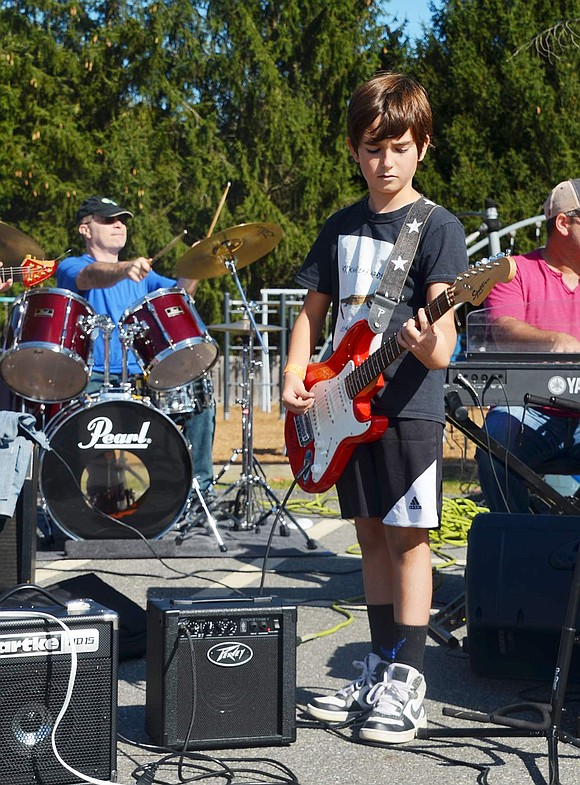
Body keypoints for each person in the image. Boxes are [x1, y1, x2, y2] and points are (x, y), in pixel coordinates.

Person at [281, 72, 468, 744]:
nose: (383, 162)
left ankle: (408, 680)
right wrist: (295, 372)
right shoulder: (340, 225)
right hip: (342, 404)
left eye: (397, 148)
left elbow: (443, 328)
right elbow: (311, 313)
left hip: (409, 407)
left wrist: (433, 342)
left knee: (409, 538)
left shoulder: (438, 227)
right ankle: (381, 664)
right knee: (368, 536)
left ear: (422, 147)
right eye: (370, 148)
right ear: (354, 151)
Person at [56, 195, 216, 500]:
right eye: (107, 220)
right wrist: (125, 268)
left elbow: (179, 294)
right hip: (93, 377)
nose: (118, 225)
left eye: (122, 220)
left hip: (142, 375)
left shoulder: (144, 276)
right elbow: (89, 278)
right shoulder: (72, 266)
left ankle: (198, 494)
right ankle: (76, 500)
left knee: (198, 398)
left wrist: (196, 263)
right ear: (85, 230)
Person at [476, 178, 580, 513]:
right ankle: (521, 541)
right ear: (563, 223)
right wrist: (555, 341)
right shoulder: (515, 271)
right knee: (495, 442)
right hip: (527, 408)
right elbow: (500, 327)